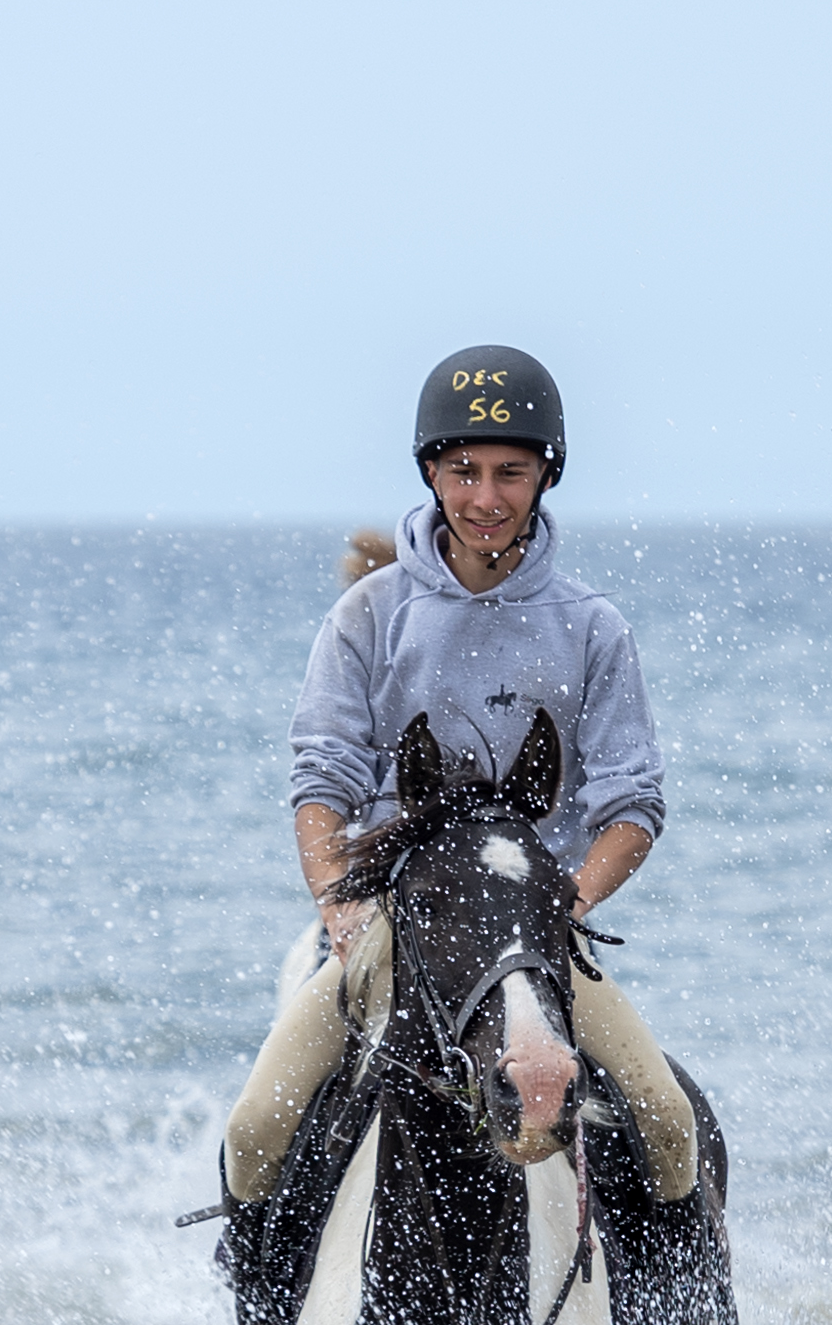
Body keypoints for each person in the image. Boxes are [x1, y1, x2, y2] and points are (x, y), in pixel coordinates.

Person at [229, 346, 699, 1212]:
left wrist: (564, 907)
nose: (485, 498)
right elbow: (324, 778)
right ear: (432, 474)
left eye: (510, 473)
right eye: (463, 472)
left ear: (545, 476)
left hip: (532, 932)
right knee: (256, 1129)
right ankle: (254, 1306)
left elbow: (632, 803)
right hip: (394, 929)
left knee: (670, 1127)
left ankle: (693, 1307)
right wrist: (338, 909)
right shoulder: (367, 614)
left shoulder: (592, 626)